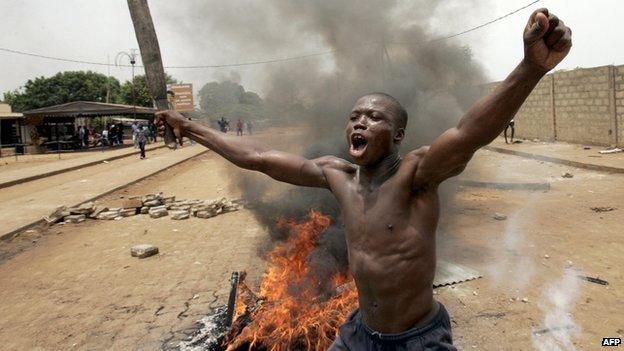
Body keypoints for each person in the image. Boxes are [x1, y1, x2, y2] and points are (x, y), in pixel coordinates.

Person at [156, 9, 570, 350]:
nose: (360, 122)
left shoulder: (418, 175)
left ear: (399, 136)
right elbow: (260, 158)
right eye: (354, 116)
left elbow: (468, 133)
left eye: (375, 117)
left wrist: (530, 69)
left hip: (416, 340)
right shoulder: (338, 177)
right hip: (359, 334)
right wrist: (190, 127)